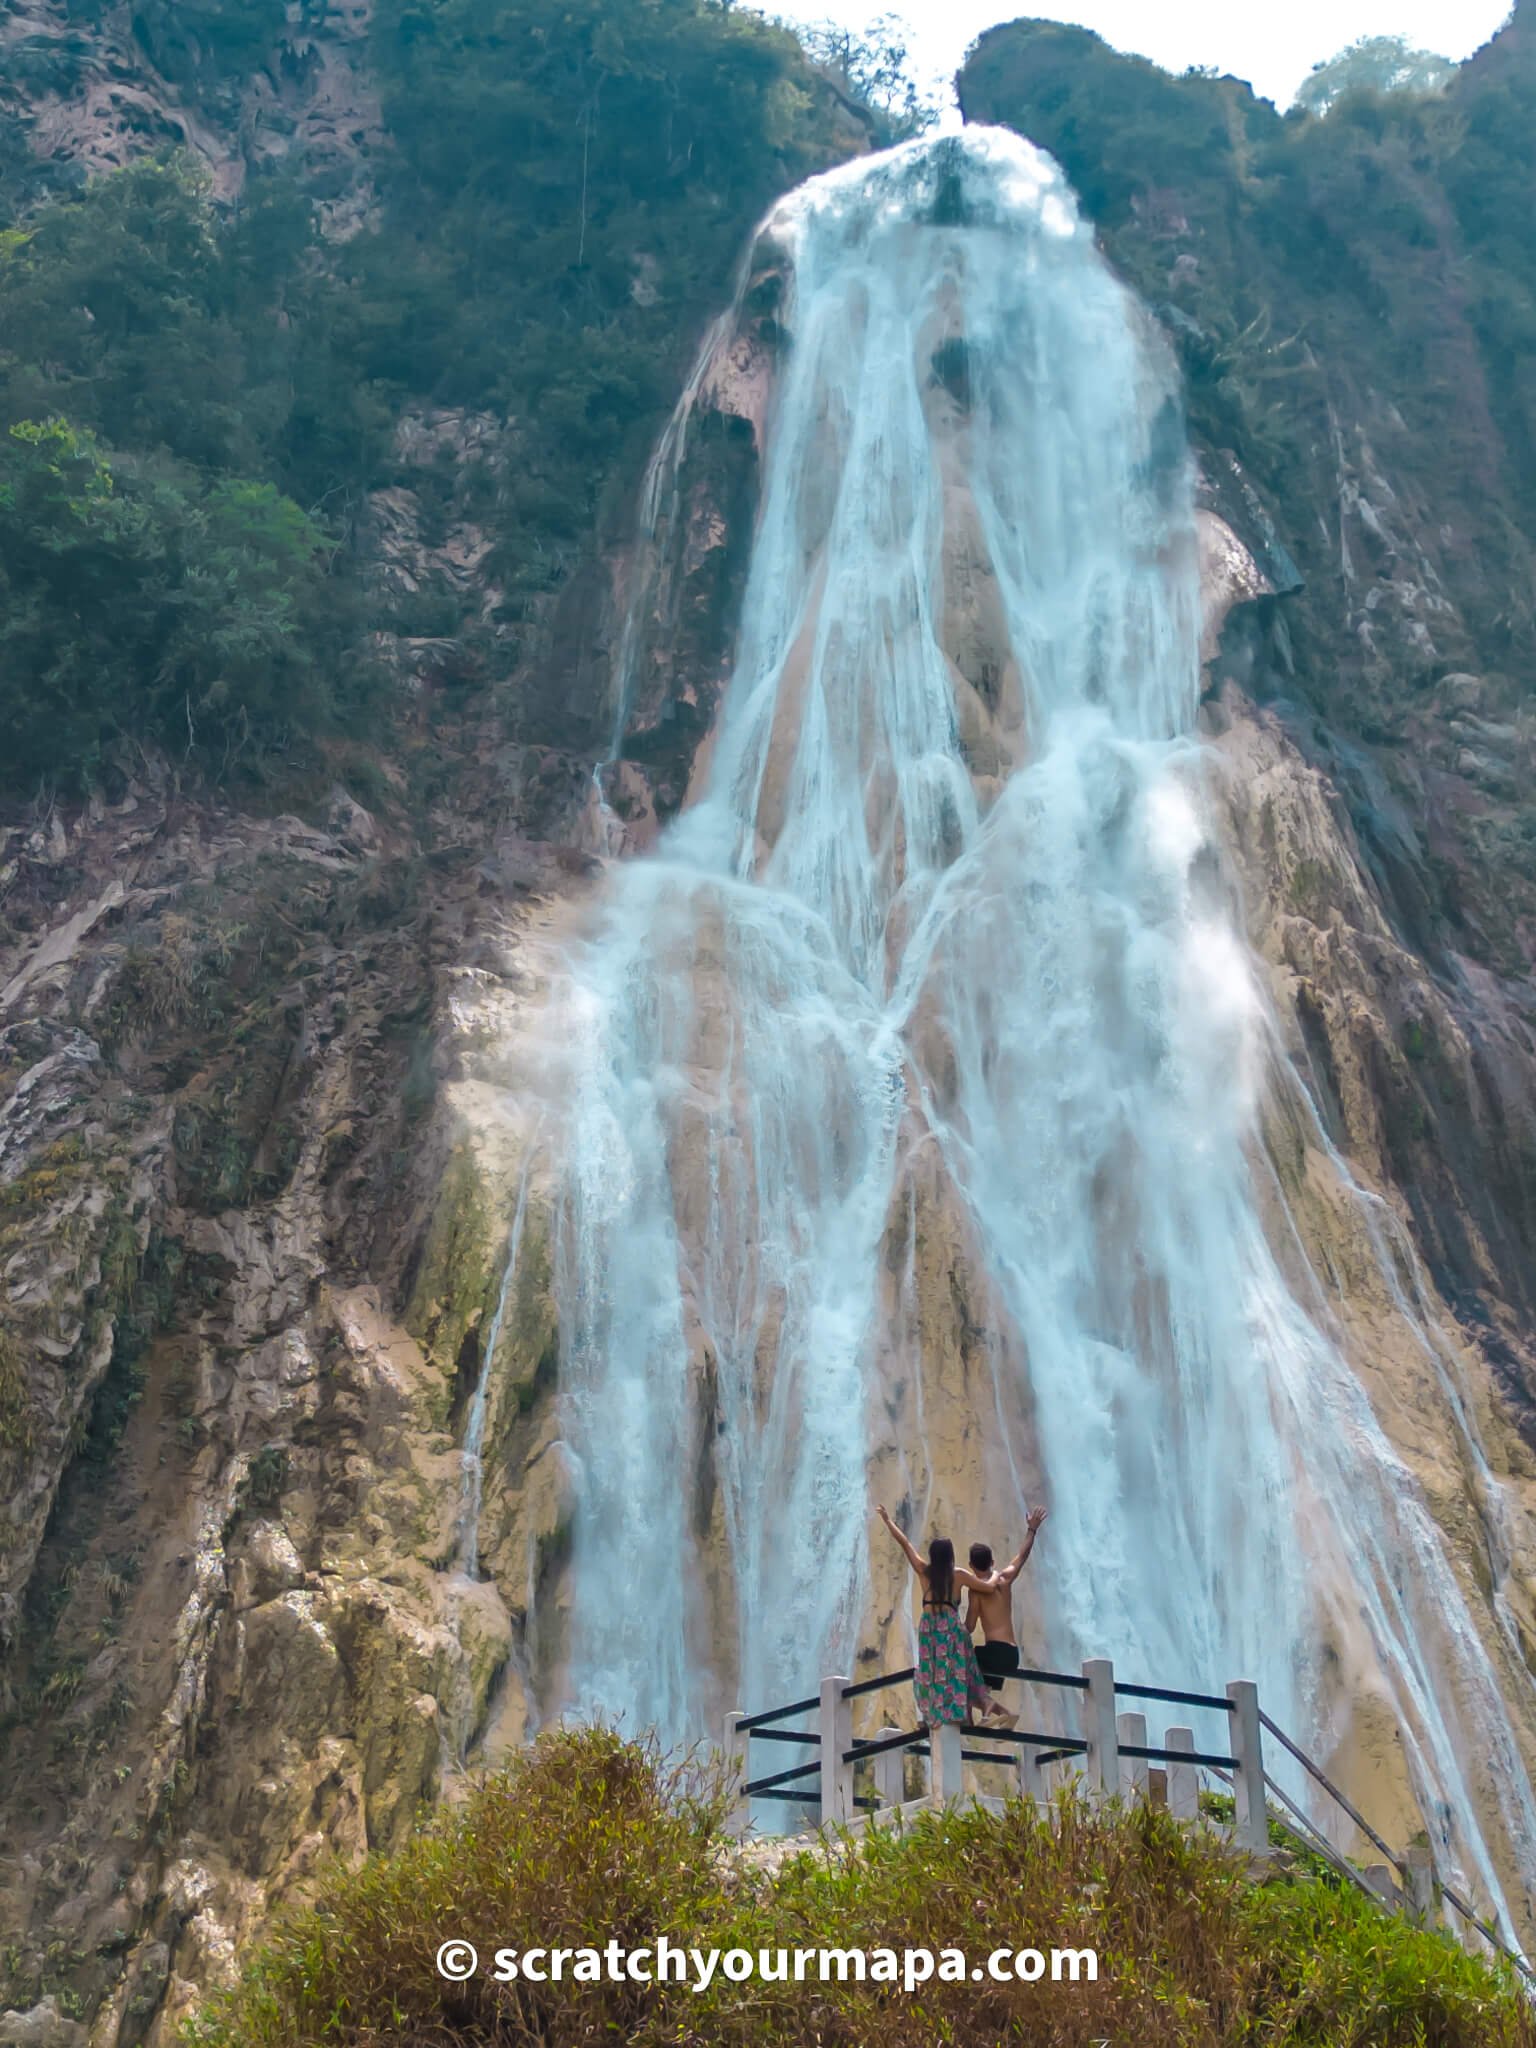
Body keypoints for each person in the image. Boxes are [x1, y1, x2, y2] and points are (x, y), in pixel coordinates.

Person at [875, 1504, 993, 1729]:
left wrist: (888, 1521)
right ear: (950, 1556)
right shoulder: (958, 1575)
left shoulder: (923, 1571)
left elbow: (905, 1544)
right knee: (955, 1669)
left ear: (932, 1556)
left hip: (929, 1627)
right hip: (950, 1627)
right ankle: (963, 1712)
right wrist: (998, 1576)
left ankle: (933, 1715)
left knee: (931, 1671)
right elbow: (986, 1587)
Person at [964, 1506, 1048, 1729]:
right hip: (1011, 1655)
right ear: (992, 1562)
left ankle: (970, 1719)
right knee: (981, 1684)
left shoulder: (976, 1592)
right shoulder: (1004, 1579)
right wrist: (1032, 1529)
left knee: (960, 1666)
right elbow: (1022, 1556)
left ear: (971, 1566)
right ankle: (1001, 1715)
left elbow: (970, 1627)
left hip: (993, 1652)